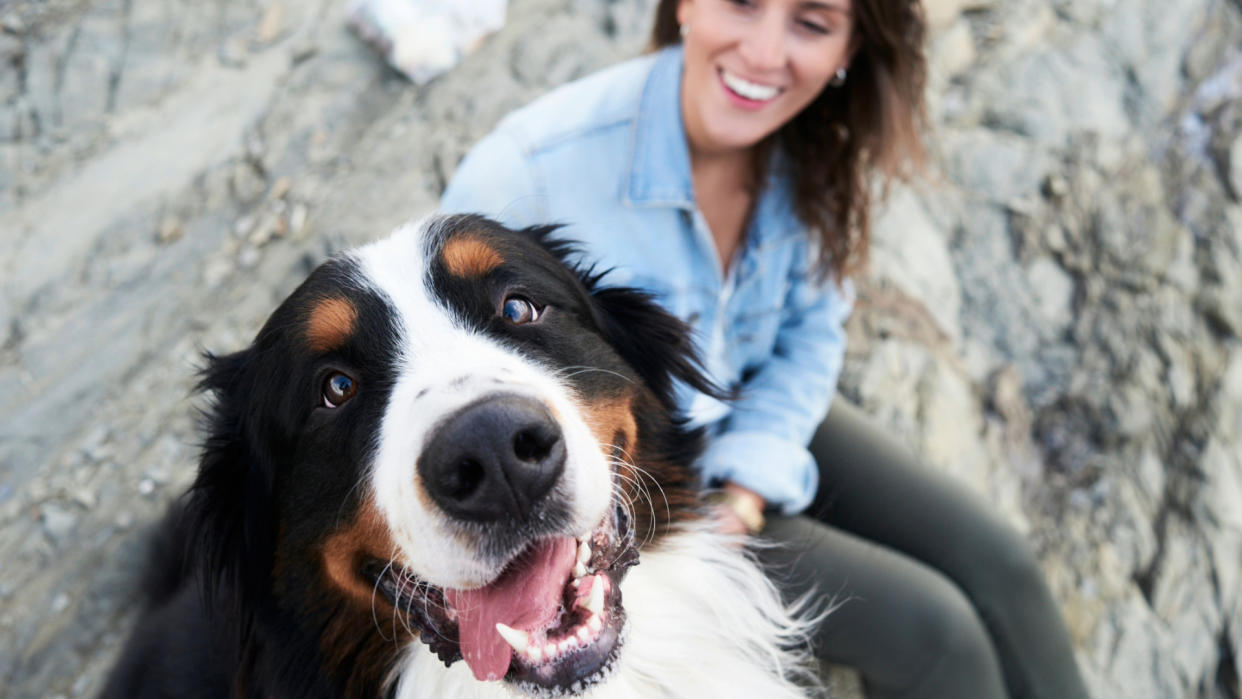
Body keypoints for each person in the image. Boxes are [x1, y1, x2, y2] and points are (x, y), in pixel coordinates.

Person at [439, 0, 1091, 696]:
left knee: (1002, 562)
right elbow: (453, 378)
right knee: (939, 636)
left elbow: (811, 334)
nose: (764, 51)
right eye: (743, 2)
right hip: (632, 480)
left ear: (847, 50)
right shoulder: (527, 173)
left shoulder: (817, 149)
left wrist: (751, 483)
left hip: (746, 404)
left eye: (812, 23)